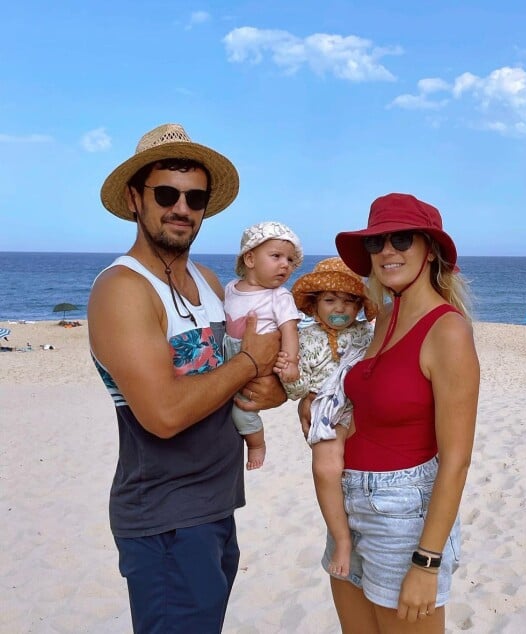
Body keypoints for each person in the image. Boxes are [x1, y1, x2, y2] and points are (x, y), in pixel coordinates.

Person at [87, 123, 287, 633]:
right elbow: (165, 414)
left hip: (215, 507)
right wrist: (248, 364)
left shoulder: (209, 281)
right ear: (135, 198)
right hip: (164, 519)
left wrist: (270, 386)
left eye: (194, 196)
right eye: (167, 193)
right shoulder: (122, 290)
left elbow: (241, 374)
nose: (182, 207)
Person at [301, 193, 480, 633]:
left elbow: (455, 461)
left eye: (401, 239)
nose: (386, 251)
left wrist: (427, 561)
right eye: (376, 242)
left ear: (430, 249)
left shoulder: (447, 329)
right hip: (348, 504)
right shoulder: (378, 319)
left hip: (404, 518)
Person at [279, 257, 378, 578]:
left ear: (360, 307)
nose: (341, 308)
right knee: (325, 468)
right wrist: (291, 374)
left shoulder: (366, 334)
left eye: (350, 301)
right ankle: (342, 539)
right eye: (330, 300)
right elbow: (298, 390)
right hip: (326, 406)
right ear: (314, 305)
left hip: (361, 405)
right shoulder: (304, 340)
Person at [223, 220, 303, 469]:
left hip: (260, 364)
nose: (285, 265)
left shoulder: (279, 296)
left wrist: (290, 361)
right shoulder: (230, 289)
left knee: (243, 410)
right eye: (276, 256)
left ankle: (256, 444)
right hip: (229, 356)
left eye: (290, 261)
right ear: (250, 259)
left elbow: (289, 330)